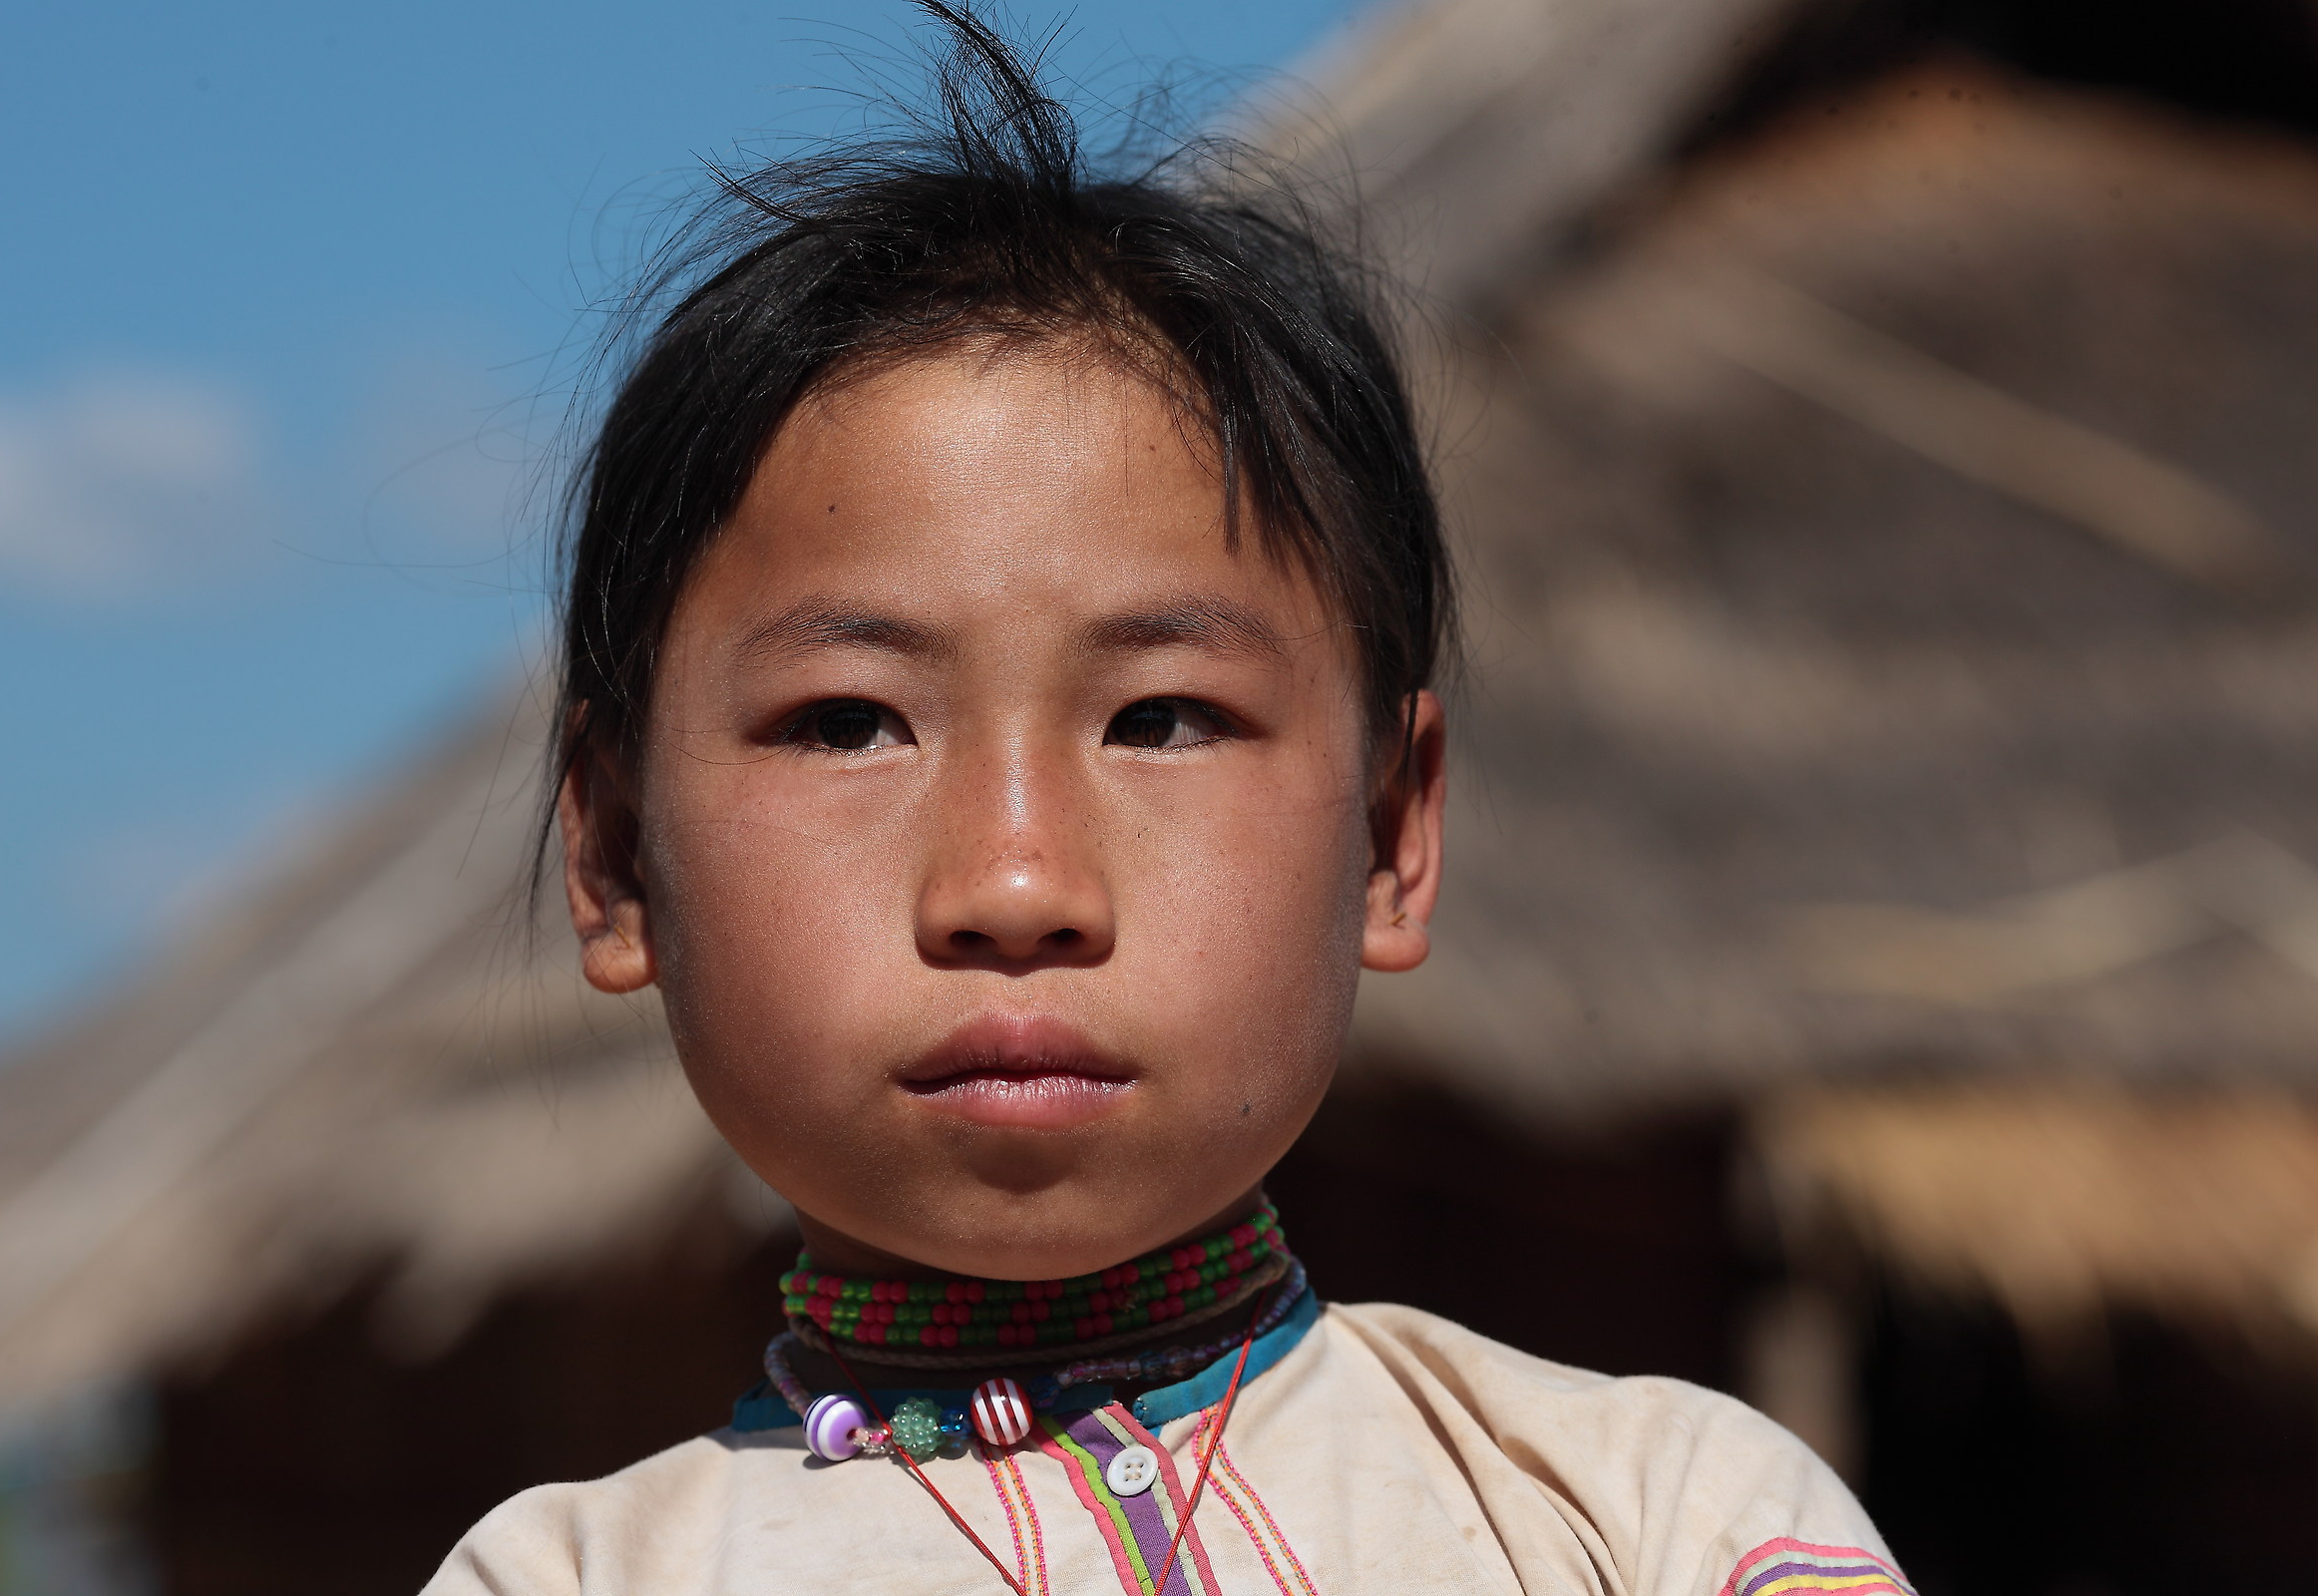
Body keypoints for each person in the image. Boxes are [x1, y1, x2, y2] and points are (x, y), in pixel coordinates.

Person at [425, 7, 1906, 1593]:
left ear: (1391, 837)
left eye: (1165, 717)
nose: (1013, 883)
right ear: (617, 851)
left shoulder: (1662, 1518)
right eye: (849, 722)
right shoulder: (570, 1577)